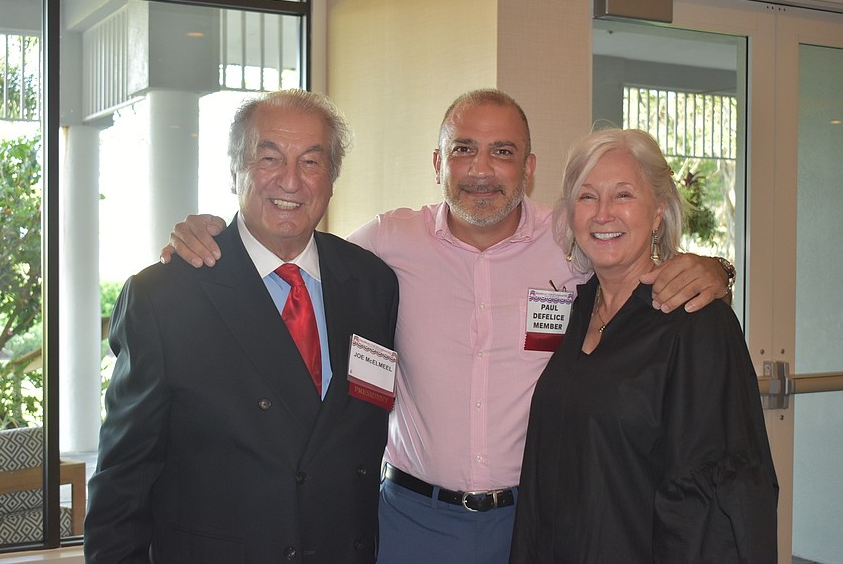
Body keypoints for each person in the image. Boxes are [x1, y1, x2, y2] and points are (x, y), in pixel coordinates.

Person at [161, 90, 731, 563]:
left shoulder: (571, 240)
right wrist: (213, 236)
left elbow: (633, 256)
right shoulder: (387, 243)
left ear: (528, 169)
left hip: (535, 522)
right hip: (411, 521)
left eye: (503, 152)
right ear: (437, 163)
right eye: (463, 150)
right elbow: (291, 248)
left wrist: (716, 267)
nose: (481, 170)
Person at [84, 89, 399, 563]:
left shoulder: (372, 283)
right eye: (269, 158)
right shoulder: (166, 296)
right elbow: (122, 479)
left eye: (311, 162)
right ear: (235, 169)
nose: (291, 181)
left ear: (332, 177)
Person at [509, 129, 778, 563]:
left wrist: (720, 269)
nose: (603, 214)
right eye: (587, 197)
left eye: (624, 195)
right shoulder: (577, 309)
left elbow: (721, 497)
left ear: (658, 213)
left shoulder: (697, 323)